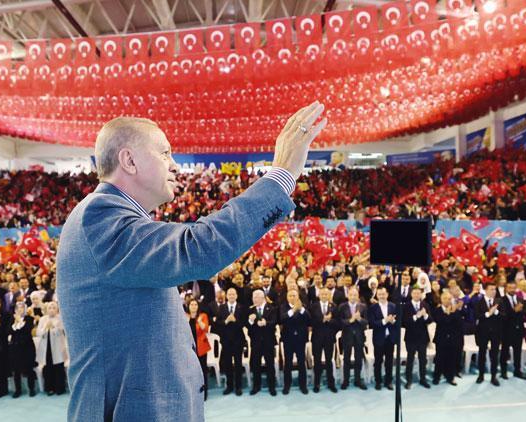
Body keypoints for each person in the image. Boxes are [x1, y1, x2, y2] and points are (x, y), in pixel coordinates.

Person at [57, 105, 327, 421]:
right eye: (165, 154)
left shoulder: (111, 217)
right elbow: (199, 247)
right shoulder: (100, 216)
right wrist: (282, 175)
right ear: (129, 160)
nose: (175, 166)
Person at [215, 287, 246, 396]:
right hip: (226, 341)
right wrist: (226, 321)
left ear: (236, 296)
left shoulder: (241, 307)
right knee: (227, 364)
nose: (231, 296)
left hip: (238, 340)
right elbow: (217, 323)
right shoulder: (222, 308)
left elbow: (244, 323)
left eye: (233, 294)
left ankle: (238, 387)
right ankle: (229, 386)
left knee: (238, 364)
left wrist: (235, 321)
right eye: (229, 294)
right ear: (226, 296)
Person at [279, 289, 310, 394]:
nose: (293, 297)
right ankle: (287, 385)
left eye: (294, 295)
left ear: (298, 297)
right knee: (288, 363)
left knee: (302, 362)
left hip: (300, 339)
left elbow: (308, 319)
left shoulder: (303, 306)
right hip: (288, 339)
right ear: (287, 297)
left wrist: (301, 309)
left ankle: (303, 385)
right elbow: (282, 319)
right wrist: (293, 311)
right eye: (290, 296)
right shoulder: (283, 307)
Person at [337, 287, 367, 390]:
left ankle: (358, 380)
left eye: (355, 295)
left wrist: (359, 319)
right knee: (347, 359)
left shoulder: (363, 306)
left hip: (359, 336)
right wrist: (350, 320)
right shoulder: (342, 306)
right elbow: (339, 322)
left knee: (359, 359)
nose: (353, 297)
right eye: (351, 295)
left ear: (358, 296)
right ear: (348, 295)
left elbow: (366, 322)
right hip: (347, 336)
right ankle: (346, 380)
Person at [37, 301, 68, 396]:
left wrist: (54, 326)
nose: (51, 310)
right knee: (48, 368)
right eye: (49, 308)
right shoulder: (42, 319)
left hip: (58, 347)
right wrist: (46, 327)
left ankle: (60, 388)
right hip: (46, 347)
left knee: (58, 367)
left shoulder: (60, 319)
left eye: (54, 308)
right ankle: (49, 388)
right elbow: (38, 333)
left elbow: (61, 332)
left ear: (57, 309)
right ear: (46, 310)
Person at [310, 288, 338, 393]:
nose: (324, 295)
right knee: (317, 361)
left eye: (326, 294)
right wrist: (322, 319)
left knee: (329, 361)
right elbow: (310, 322)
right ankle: (317, 383)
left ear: (329, 295)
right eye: (322, 294)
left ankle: (331, 383)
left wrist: (330, 320)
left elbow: (338, 323)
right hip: (317, 338)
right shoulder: (313, 306)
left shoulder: (334, 307)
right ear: (319, 295)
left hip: (329, 338)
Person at [369, 286, 397, 390]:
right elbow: (372, 323)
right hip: (378, 338)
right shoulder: (373, 308)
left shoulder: (393, 306)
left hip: (390, 338)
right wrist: (385, 321)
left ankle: (388, 381)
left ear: (387, 294)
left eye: (383, 294)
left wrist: (392, 321)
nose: (381, 296)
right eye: (379, 294)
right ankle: (378, 381)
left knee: (389, 361)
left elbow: (398, 322)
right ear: (377, 295)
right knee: (378, 361)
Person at [403, 287, 431, 389]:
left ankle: (423, 379)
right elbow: (404, 322)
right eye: (414, 293)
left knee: (422, 359)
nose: (416, 295)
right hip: (410, 337)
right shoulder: (406, 306)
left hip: (423, 337)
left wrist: (425, 315)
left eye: (418, 293)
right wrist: (416, 316)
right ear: (411, 294)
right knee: (410, 359)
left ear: (421, 294)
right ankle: (408, 380)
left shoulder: (425, 305)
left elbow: (430, 320)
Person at [7, 301, 37, 398]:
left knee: (29, 369)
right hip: (15, 347)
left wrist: (19, 321)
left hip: (27, 347)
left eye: (21, 308)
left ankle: (31, 389)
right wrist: (15, 323)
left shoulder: (29, 319)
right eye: (17, 308)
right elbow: (9, 331)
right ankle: (18, 390)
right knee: (16, 370)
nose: (19, 309)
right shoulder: (11, 319)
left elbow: (27, 330)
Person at [474, 283, 502, 386]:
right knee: (482, 354)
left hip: (496, 332)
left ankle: (493, 376)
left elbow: (504, 316)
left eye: (495, 289)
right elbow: (477, 315)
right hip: (483, 332)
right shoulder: (479, 301)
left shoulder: (499, 301)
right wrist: (488, 313)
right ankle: (481, 375)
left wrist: (496, 312)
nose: (493, 291)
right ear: (485, 290)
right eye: (491, 289)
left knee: (495, 355)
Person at [499, 280, 526, 380]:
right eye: (510, 288)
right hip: (506, 331)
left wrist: (521, 310)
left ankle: (517, 371)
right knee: (504, 352)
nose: (512, 290)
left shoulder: (520, 299)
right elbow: (503, 316)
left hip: (519, 330)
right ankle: (503, 371)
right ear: (506, 288)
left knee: (518, 351)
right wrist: (514, 310)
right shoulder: (501, 300)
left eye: (514, 288)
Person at [432, 291, 460, 386]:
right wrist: (447, 315)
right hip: (441, 338)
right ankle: (437, 376)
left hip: (452, 339)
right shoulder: (437, 310)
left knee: (451, 358)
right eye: (445, 298)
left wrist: (450, 314)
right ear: (441, 299)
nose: (447, 301)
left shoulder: (455, 310)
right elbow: (440, 322)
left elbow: (457, 323)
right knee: (439, 358)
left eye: (449, 299)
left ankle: (450, 377)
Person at [186, 299, 211, 400]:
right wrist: (187, 322)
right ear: (188, 306)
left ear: (198, 306)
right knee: (191, 371)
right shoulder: (185, 316)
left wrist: (199, 322)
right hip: (189, 350)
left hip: (201, 348)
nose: (193, 306)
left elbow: (205, 329)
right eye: (191, 304)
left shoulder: (203, 316)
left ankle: (204, 393)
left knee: (202, 371)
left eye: (195, 304)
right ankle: (193, 392)